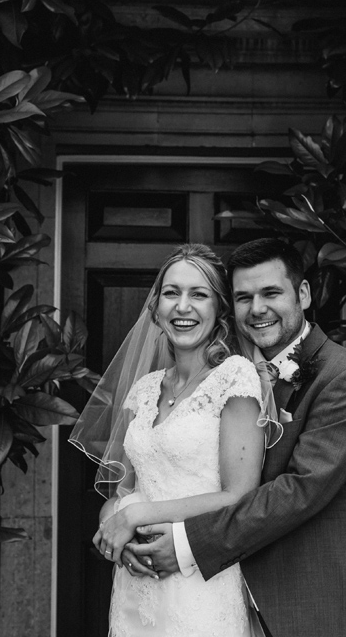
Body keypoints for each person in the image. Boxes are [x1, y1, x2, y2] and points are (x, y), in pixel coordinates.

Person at [126, 238, 346, 637]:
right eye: (244, 297)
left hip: (308, 601)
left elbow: (300, 491)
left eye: (271, 293)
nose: (257, 309)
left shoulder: (345, 377)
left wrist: (183, 544)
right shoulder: (229, 371)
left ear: (304, 294)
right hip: (220, 594)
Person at [69, 243, 272, 637]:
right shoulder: (144, 390)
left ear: (219, 311)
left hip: (202, 579)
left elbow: (240, 494)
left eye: (199, 294)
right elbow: (124, 490)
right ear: (155, 308)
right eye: (172, 292)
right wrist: (115, 528)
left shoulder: (234, 378)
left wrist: (136, 516)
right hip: (137, 582)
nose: (183, 306)